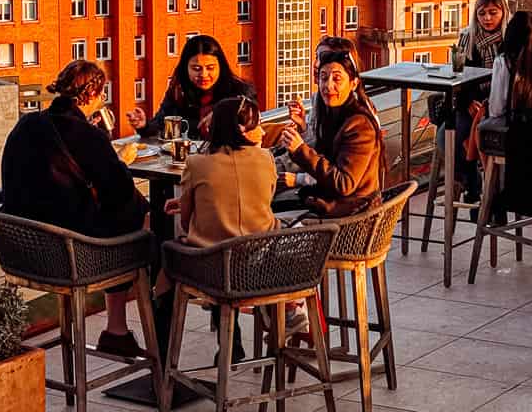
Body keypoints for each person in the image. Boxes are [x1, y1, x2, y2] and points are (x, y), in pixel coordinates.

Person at [1, 59, 150, 358]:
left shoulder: (27, 124)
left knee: (123, 216)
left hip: (22, 251)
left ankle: (117, 331)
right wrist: (122, 161)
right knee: (141, 218)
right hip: (72, 256)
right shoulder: (88, 135)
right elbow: (118, 191)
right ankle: (127, 328)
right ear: (94, 94)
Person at [167, 95, 282, 360]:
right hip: (261, 263)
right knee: (231, 248)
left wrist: (195, 203)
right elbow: (262, 200)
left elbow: (186, 222)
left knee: (173, 252)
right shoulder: (266, 158)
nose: (263, 130)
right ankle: (278, 316)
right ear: (242, 130)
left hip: (214, 268)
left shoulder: (197, 164)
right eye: (257, 125)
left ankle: (166, 352)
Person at [280, 45, 384, 217]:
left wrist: (299, 149)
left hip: (350, 218)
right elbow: (326, 159)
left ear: (353, 83)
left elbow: (344, 184)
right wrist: (303, 128)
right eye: (323, 78)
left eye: (337, 79)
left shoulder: (360, 125)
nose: (328, 86)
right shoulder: (335, 114)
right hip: (337, 206)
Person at [430, 0, 508, 202]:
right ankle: (472, 185)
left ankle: (487, 194)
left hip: (499, 105)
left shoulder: (509, 39)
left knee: (478, 138)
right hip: (470, 103)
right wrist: (466, 101)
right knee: (447, 137)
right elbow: (459, 75)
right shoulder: (467, 37)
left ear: (503, 12)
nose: (487, 18)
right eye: (482, 13)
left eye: (493, 12)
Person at [140, 35, 253, 140]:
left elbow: (250, 116)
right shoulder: (178, 91)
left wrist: (222, 113)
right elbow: (160, 123)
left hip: (226, 156)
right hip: (187, 156)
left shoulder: (239, 90)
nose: (203, 75)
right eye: (196, 68)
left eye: (210, 68)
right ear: (186, 68)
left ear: (220, 67)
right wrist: (144, 126)